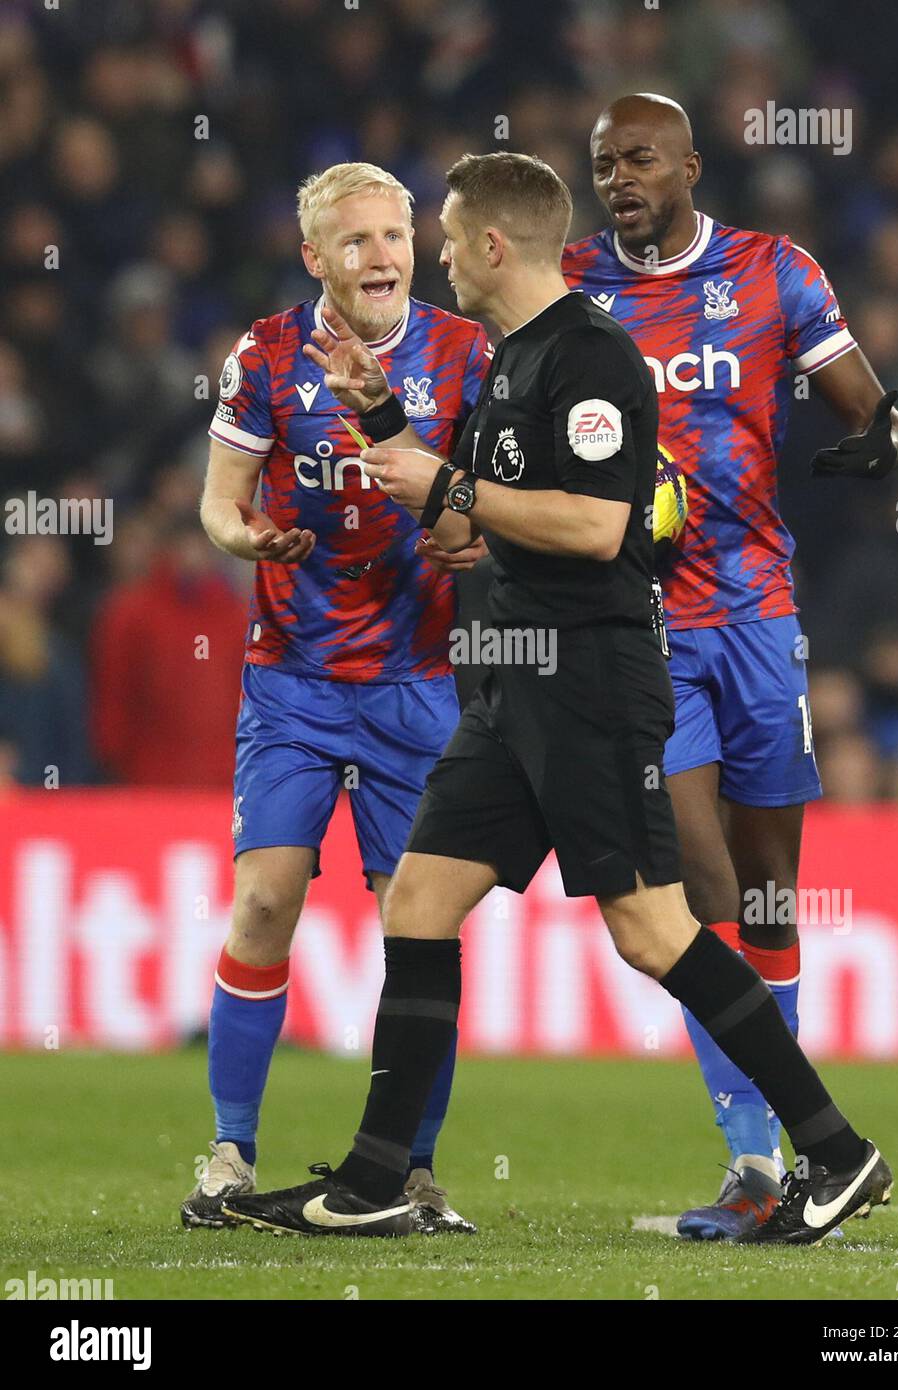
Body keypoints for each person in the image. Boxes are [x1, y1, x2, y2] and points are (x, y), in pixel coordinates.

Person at [223, 152, 893, 1246]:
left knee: (650, 928)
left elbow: (593, 527)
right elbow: (465, 529)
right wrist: (384, 413)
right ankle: (377, 1178)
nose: (433, 254)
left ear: (492, 245)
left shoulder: (589, 359)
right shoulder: (511, 363)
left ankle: (834, 1149)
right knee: (419, 903)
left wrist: (443, 483)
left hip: (587, 683)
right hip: (503, 689)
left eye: (443, 234)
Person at [563, 93, 898, 1239]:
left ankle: (797, 1160)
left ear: (690, 167)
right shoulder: (569, 283)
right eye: (605, 163)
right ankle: (759, 1157)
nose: (621, 177)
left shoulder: (773, 271)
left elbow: (869, 406)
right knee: (704, 890)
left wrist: (879, 441)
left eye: (641, 159)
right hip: (638, 624)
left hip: (759, 618)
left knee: (767, 893)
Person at [181, 162, 491, 1235]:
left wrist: (472, 540)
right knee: (265, 900)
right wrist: (249, 538)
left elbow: (492, 507)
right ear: (315, 257)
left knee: (420, 931)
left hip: (419, 683)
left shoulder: (465, 355)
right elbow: (218, 504)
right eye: (354, 240)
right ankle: (229, 1149)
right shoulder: (265, 355)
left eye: (394, 235)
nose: (381, 256)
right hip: (295, 680)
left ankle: (411, 1167)